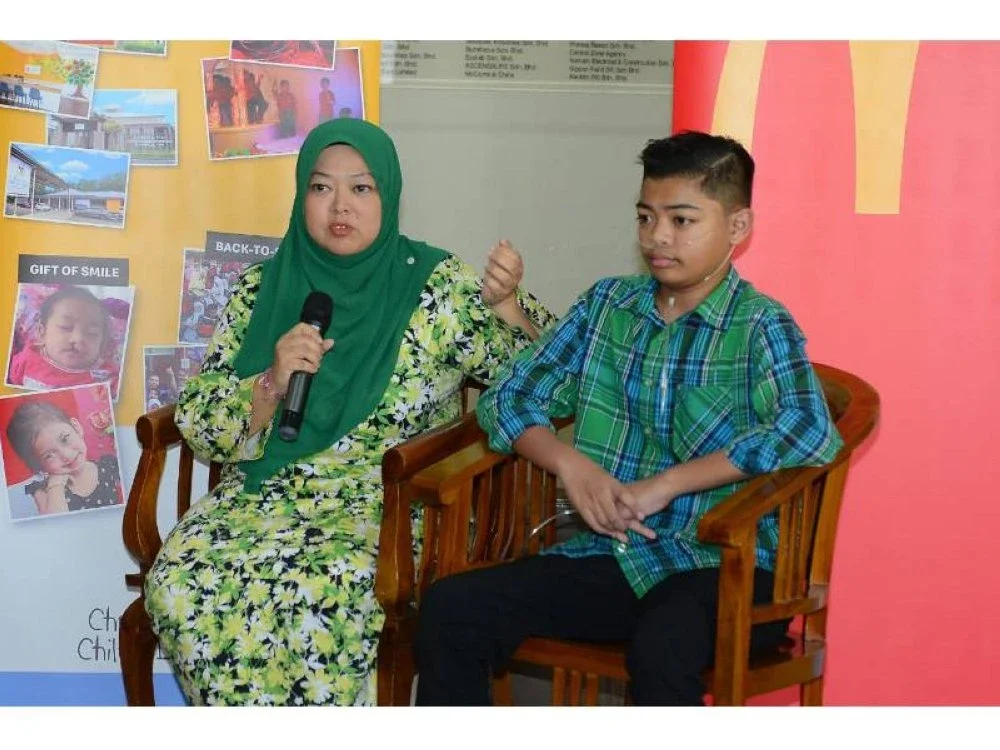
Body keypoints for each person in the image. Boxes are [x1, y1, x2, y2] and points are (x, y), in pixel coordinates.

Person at [413, 130, 845, 706]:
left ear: (737, 228)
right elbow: (508, 399)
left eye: (682, 220)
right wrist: (571, 466)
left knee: (664, 641)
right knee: (453, 608)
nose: (657, 236)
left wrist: (666, 485)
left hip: (731, 571)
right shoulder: (607, 307)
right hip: (614, 557)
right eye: (646, 217)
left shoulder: (761, 324)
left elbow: (809, 429)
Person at [144, 118, 556, 706]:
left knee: (329, 591)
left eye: (361, 188)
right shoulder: (260, 289)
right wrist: (270, 381)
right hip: (264, 496)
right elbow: (205, 427)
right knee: (182, 580)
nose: (341, 206)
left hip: (389, 504)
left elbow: (553, 380)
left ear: (388, 196)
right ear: (300, 196)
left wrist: (510, 308)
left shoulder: (439, 288)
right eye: (321, 188)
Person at [5, 400, 123, 516]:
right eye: (49, 455)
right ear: (38, 464)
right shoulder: (43, 491)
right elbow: (56, 525)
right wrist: (56, 486)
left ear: (76, 428)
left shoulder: (108, 465)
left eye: (65, 439)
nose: (66, 456)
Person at [7, 286, 115, 393]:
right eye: (65, 327)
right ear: (41, 332)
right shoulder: (27, 359)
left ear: (102, 343)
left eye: (92, 333)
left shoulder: (107, 377)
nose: (77, 338)